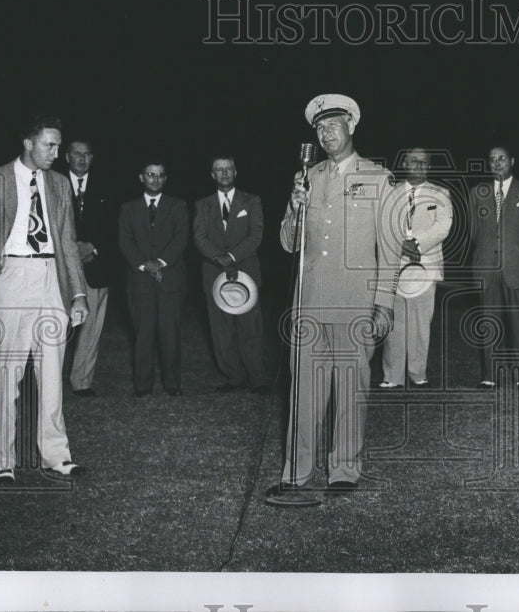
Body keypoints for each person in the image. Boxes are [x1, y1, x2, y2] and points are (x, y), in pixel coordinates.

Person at [273, 94, 396, 494]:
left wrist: (384, 304)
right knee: (303, 394)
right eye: (320, 128)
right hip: (309, 303)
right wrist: (294, 208)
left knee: (350, 390)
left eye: (334, 125)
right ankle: (297, 472)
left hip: (355, 303)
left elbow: (389, 249)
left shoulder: (378, 178)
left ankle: (344, 470)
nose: (327, 134)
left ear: (351, 126)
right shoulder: (308, 177)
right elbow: (290, 244)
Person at [0, 113, 89, 484]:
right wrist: (0, 275)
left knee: (52, 373)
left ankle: (57, 455)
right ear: (28, 143)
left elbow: (67, 242)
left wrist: (78, 294)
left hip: (52, 277)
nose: (56, 152)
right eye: (49, 145)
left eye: (58, 145)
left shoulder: (60, 184)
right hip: (12, 276)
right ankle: (3, 461)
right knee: (7, 373)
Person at [193, 154, 272, 394]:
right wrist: (219, 258)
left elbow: (256, 235)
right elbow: (199, 237)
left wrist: (233, 257)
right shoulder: (202, 204)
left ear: (235, 172)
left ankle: (257, 378)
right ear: (212, 175)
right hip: (214, 273)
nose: (224, 173)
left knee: (251, 327)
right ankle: (233, 377)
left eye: (228, 169)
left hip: (246, 271)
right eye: (219, 170)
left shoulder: (251, 201)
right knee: (221, 330)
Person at [468, 145, 519, 388]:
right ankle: (489, 375)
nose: (497, 163)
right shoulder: (477, 192)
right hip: (487, 267)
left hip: (517, 267)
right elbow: (472, 232)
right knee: (488, 321)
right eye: (492, 159)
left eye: (502, 158)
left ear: (512, 160)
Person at [379, 148, 453, 388]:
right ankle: (392, 376)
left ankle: (418, 373)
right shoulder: (389, 193)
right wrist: (400, 244)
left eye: (424, 162)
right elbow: (382, 224)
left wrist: (417, 243)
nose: (419, 165)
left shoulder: (440, 193)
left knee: (421, 324)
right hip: (395, 264)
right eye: (414, 161)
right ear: (403, 163)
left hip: (426, 264)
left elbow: (443, 226)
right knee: (395, 322)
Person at [118, 161, 188, 396]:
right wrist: (145, 265)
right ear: (141, 178)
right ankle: (143, 386)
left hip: (170, 279)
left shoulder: (178, 206)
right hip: (139, 280)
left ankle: (172, 384)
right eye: (150, 175)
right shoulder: (128, 208)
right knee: (143, 333)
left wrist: (160, 263)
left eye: (160, 175)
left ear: (166, 178)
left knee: (170, 333)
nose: (155, 179)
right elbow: (125, 241)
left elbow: (181, 239)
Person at [64, 139, 112, 397]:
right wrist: (73, 250)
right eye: (77, 154)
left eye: (87, 154)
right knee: (58, 325)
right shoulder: (53, 183)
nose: (82, 159)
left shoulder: (106, 186)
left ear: (92, 158)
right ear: (67, 157)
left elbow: (116, 224)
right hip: (61, 267)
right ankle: (47, 379)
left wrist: (92, 246)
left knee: (90, 327)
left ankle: (82, 381)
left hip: (95, 266)